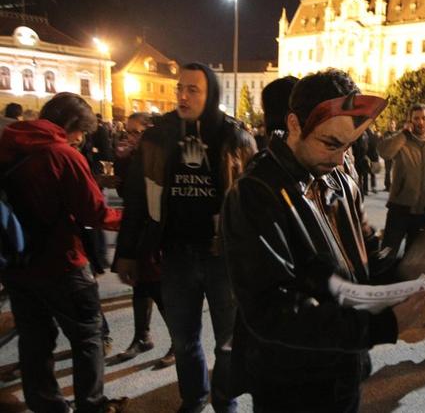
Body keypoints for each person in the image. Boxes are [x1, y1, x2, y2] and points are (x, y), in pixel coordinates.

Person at [221, 69, 425, 411]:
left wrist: (409, 269)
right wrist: (380, 326)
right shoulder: (256, 193)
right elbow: (272, 309)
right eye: (330, 143)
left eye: (347, 147)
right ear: (293, 124)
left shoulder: (340, 180)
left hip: (344, 367)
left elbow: (365, 257)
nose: (338, 159)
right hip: (291, 381)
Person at [114, 62, 257, 413]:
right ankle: (194, 397)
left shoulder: (234, 137)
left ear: (211, 94)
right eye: (181, 87)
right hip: (176, 254)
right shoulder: (157, 137)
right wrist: (127, 252)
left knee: (228, 341)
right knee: (183, 338)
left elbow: (255, 202)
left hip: (222, 256)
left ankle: (226, 400)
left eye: (193, 89)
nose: (182, 95)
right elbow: (135, 198)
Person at [0, 92, 127, 413]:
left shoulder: (6, 144)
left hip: (16, 262)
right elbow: (94, 213)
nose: (81, 139)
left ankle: (47, 406)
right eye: (81, 132)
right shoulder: (61, 155)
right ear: (70, 124)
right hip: (62, 263)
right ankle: (92, 406)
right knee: (88, 336)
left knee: (34, 340)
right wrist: (130, 219)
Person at [113, 112, 175, 367]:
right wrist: (123, 162)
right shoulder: (134, 157)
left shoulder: (161, 154)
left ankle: (176, 341)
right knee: (140, 286)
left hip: (156, 234)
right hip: (138, 233)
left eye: (136, 132)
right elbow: (127, 194)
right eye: (128, 132)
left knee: (158, 289)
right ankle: (142, 336)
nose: (131, 137)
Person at [378, 103, 425, 259]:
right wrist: (403, 133)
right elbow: (385, 152)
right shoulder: (402, 141)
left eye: (424, 118)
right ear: (410, 121)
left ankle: (405, 283)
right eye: (416, 118)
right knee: (388, 251)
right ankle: (380, 278)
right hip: (400, 206)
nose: (420, 122)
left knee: (413, 256)